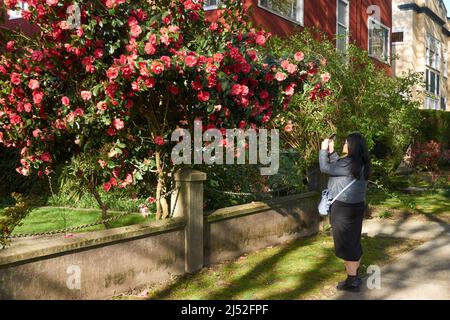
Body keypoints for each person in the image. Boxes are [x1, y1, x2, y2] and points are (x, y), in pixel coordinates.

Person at [319, 132, 372, 292]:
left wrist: (323, 150)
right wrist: (331, 152)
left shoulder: (349, 164)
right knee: (353, 241)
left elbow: (325, 168)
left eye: (346, 143)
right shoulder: (359, 163)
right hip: (356, 207)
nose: (343, 145)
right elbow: (338, 166)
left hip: (342, 209)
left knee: (346, 245)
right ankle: (353, 278)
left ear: (352, 146)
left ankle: (352, 281)